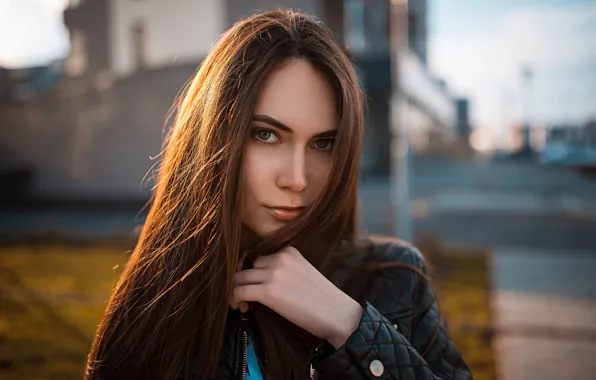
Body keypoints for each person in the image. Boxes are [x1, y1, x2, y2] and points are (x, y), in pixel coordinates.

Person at [85, 9, 472, 380]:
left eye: (323, 144)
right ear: (213, 138)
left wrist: (351, 328)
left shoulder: (396, 281)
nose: (298, 179)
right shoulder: (156, 296)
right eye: (266, 135)